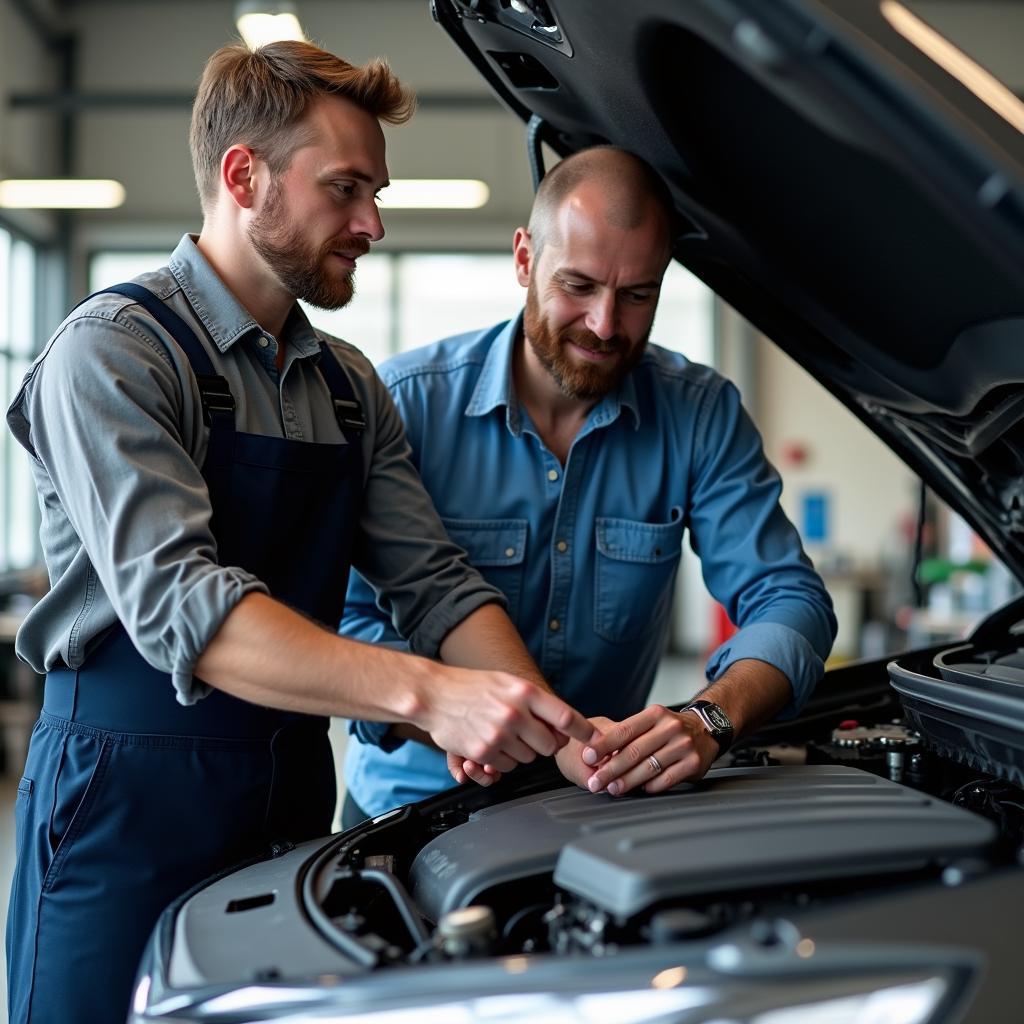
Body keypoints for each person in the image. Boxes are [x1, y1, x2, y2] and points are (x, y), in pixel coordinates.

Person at [4, 42, 595, 1024]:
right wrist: (432, 696)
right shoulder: (112, 354)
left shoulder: (350, 389)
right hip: (120, 802)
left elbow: (438, 586)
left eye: (377, 191)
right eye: (345, 188)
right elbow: (188, 609)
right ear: (245, 177)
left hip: (284, 804)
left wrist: (556, 732)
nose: (371, 222)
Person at [340, 146, 837, 825]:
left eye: (637, 295)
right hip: (411, 809)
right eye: (578, 286)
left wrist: (711, 718)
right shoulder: (405, 405)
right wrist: (455, 718)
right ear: (523, 259)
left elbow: (790, 599)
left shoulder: (698, 414)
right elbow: (344, 623)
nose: (606, 325)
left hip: (598, 805)